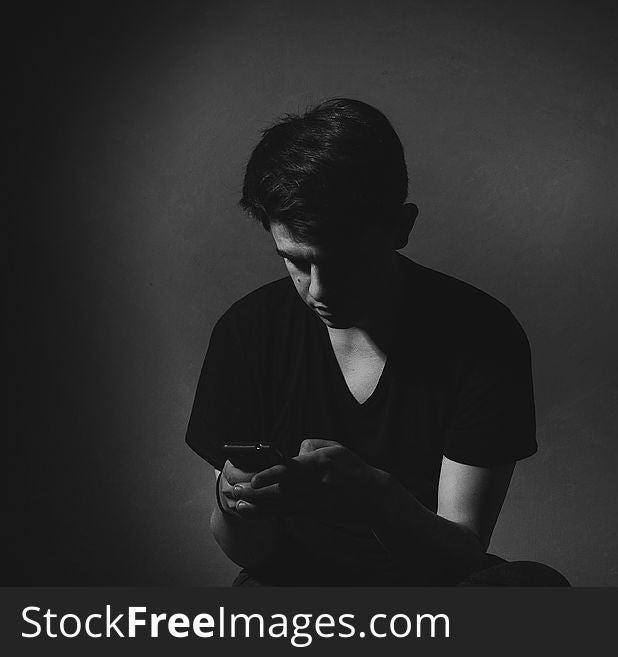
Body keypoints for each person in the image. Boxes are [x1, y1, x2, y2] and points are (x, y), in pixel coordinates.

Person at [185, 98, 569, 586]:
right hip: (295, 592)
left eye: (344, 261)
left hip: (430, 589)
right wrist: (235, 505)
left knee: (533, 587)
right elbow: (254, 557)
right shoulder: (246, 333)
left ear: (401, 228)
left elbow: (458, 554)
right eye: (296, 262)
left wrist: (375, 499)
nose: (319, 291)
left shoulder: (483, 335)